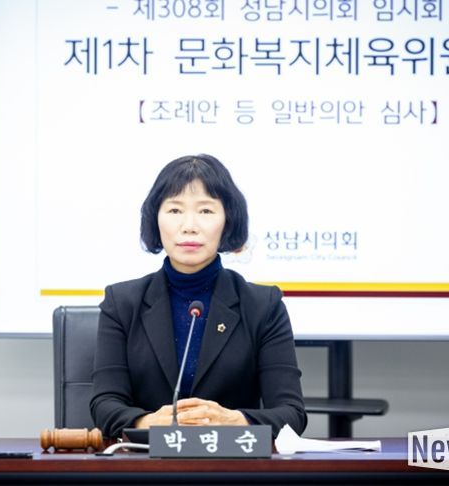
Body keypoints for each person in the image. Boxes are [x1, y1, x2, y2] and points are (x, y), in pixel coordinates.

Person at [90, 154, 307, 439]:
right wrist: (149, 422)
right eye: (175, 210)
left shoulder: (263, 306)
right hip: (145, 460)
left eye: (205, 211)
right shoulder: (122, 302)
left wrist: (235, 420)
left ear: (228, 221)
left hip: (231, 461)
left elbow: (292, 414)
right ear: (156, 220)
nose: (189, 225)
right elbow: (104, 405)